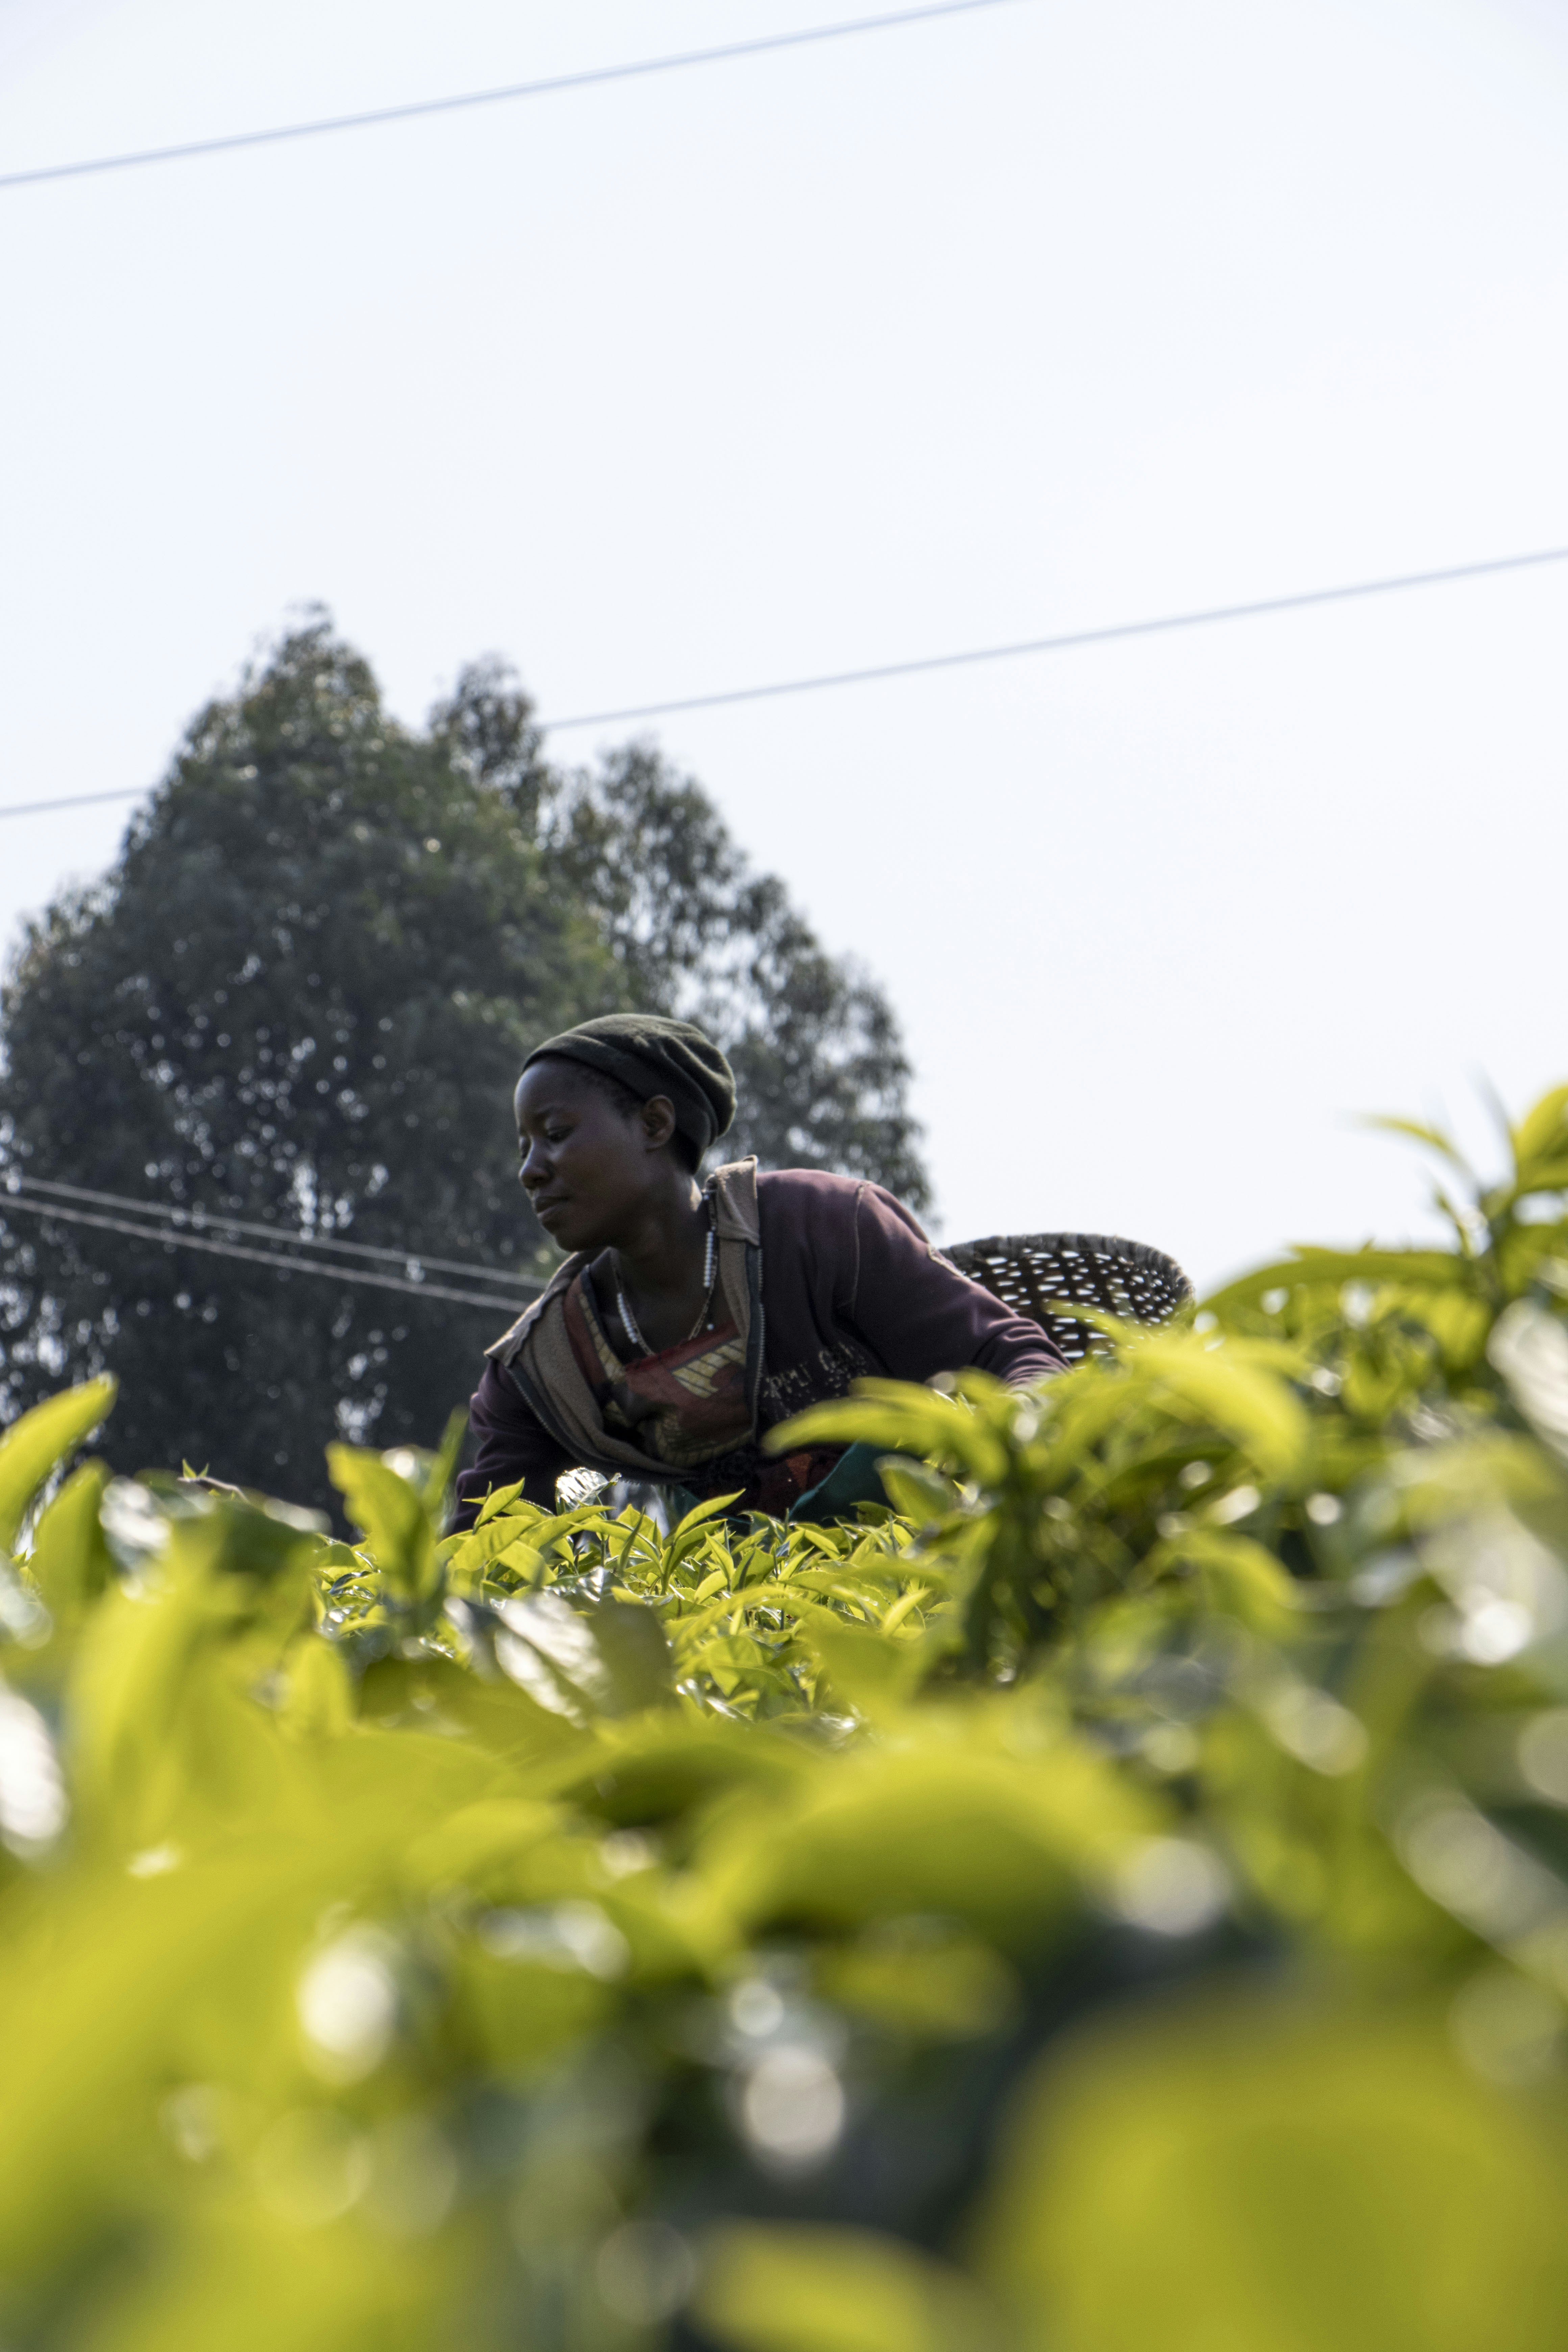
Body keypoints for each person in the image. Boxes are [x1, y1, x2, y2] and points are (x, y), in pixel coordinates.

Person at [449, 1013, 1064, 1530]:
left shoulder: (820, 1228)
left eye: (555, 1134)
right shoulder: (545, 1368)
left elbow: (1007, 1356)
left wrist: (1020, 1455)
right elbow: (484, 1546)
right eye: (524, 1147)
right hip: (746, 1639)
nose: (531, 1170)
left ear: (655, 1125)